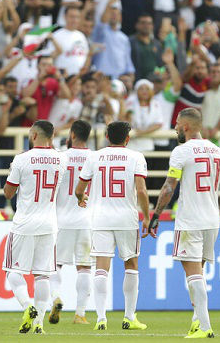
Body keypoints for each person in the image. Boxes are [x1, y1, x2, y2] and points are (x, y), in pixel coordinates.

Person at [147, 107, 220, 338]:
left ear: (185, 127)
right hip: (212, 220)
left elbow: (168, 187)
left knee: (192, 273)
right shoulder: (219, 151)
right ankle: (197, 321)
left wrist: (155, 216)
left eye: (176, 123)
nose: (175, 127)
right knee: (199, 273)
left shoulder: (181, 151)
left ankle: (205, 327)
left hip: (190, 220)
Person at [75, 121, 149, 331]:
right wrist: (146, 216)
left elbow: (79, 188)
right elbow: (142, 191)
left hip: (100, 218)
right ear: (127, 138)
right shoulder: (136, 157)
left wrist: (81, 198)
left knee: (101, 267)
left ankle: (100, 318)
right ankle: (129, 317)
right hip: (126, 218)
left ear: (107, 136)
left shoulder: (94, 156)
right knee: (131, 265)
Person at [3, 120, 66, 335]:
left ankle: (27, 305)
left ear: (33, 135)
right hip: (49, 223)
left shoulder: (21, 159)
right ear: (52, 135)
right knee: (42, 275)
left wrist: (12, 172)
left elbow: (8, 193)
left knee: (13, 272)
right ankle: (39, 324)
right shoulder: (61, 159)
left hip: (24, 223)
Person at [48, 120, 94, 325]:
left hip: (61, 219)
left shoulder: (60, 157)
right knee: (84, 267)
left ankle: (56, 297)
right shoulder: (96, 157)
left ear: (72, 135)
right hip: (87, 220)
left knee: (54, 265)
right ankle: (80, 314)